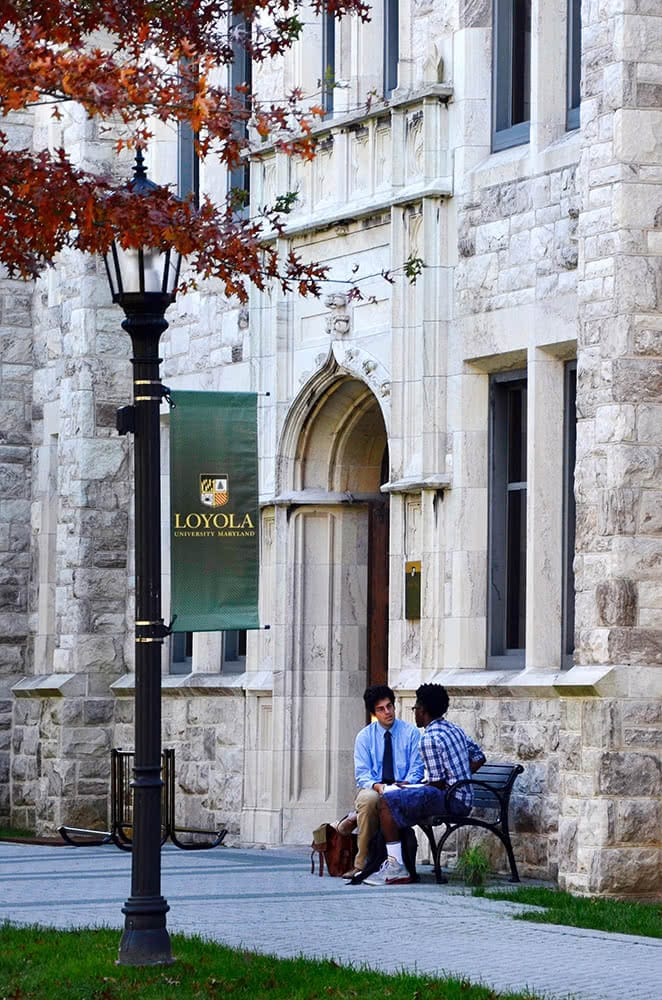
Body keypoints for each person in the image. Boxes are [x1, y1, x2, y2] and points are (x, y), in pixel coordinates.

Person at [363, 682, 486, 886]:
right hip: (464, 797)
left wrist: (414, 787)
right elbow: (479, 757)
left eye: (416, 709)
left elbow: (436, 784)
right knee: (400, 799)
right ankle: (395, 860)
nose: (415, 713)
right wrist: (460, 775)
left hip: (451, 801)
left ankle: (396, 867)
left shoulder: (429, 739)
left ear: (424, 712)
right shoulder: (453, 728)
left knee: (387, 801)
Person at [344, 684, 424, 879]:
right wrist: (378, 787)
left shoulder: (411, 733)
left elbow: (417, 769)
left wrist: (402, 785)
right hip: (375, 787)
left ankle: (395, 863)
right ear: (374, 713)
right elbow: (362, 774)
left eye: (390, 706)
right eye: (381, 709)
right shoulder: (364, 737)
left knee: (389, 800)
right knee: (369, 800)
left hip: (402, 788)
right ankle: (361, 864)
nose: (387, 712)